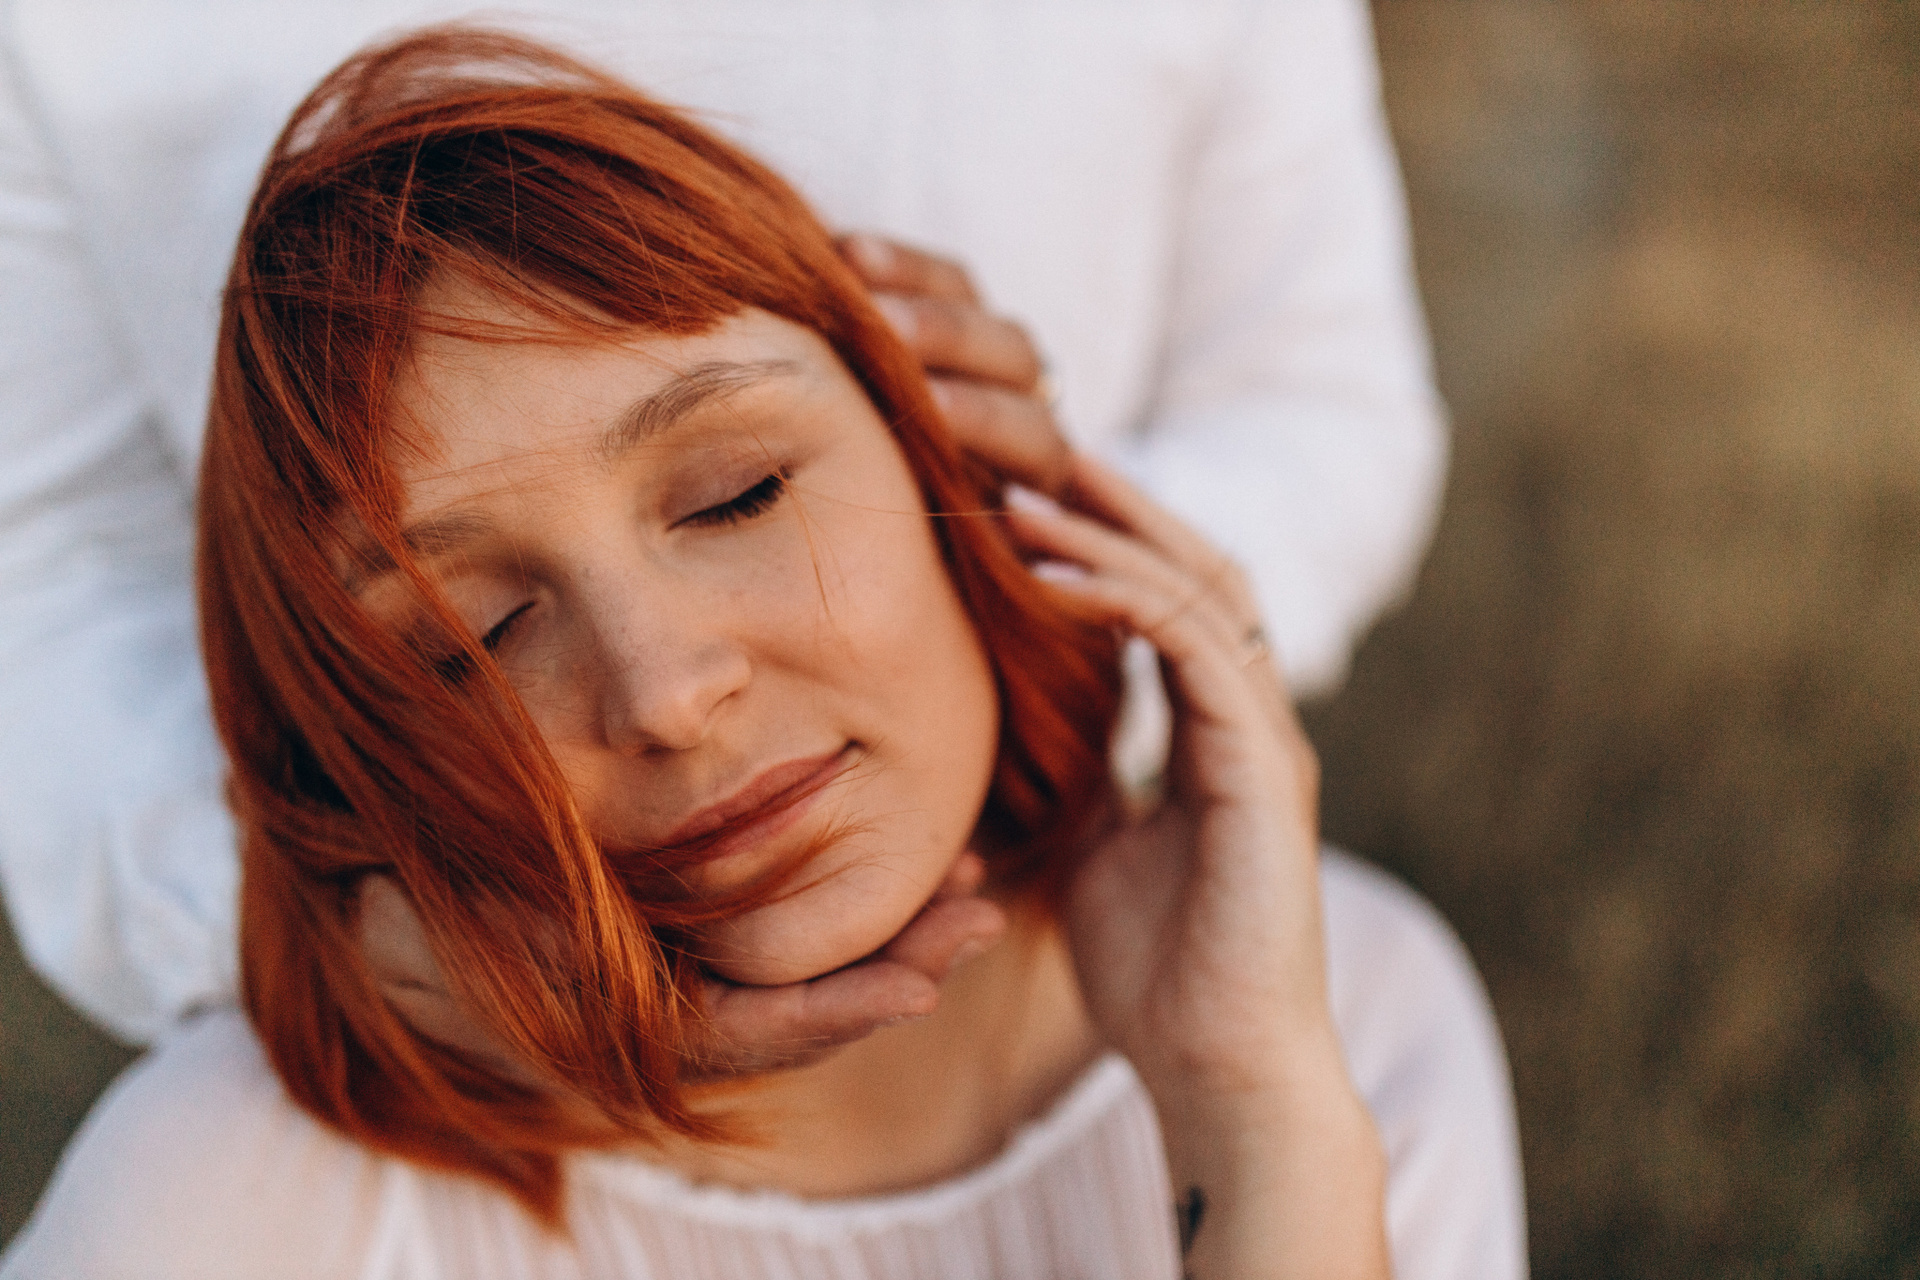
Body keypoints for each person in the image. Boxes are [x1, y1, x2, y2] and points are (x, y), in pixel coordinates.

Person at [1, 32, 1519, 1280]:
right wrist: (336, 928)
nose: (666, 694)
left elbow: (1315, 396)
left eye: (738, 496)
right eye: (478, 638)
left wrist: (1259, 1133)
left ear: (945, 453)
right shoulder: (220, 1208)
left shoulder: (1343, 1026)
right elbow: (45, 557)